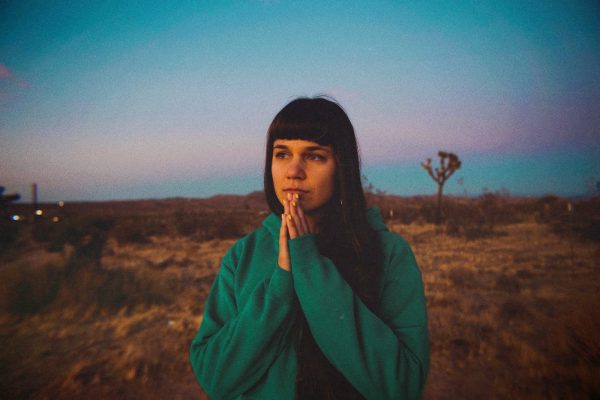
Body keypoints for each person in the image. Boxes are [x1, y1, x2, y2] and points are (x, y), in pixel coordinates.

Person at [190, 97, 429, 399]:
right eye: (282, 154)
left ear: (342, 167)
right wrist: (281, 284)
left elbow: (404, 386)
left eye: (314, 156)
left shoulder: (389, 253)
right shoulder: (243, 255)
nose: (293, 171)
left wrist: (310, 267)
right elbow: (214, 377)